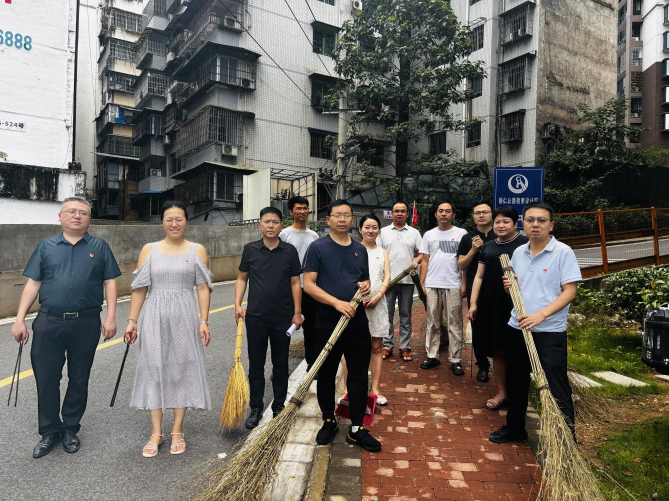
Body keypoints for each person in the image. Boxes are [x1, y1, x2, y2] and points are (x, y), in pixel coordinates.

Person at [12, 197, 121, 459]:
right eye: (71, 211)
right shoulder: (45, 246)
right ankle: (50, 430)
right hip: (49, 321)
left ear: (89, 219)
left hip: (86, 321)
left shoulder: (100, 247)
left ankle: (71, 427)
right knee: (47, 377)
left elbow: (110, 282)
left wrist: (111, 317)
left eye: (83, 212)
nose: (77, 215)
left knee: (79, 377)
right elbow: (34, 283)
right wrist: (19, 318)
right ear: (60, 216)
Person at [124, 201, 213, 457]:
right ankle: (156, 432)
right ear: (162, 222)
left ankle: (177, 430)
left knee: (180, 370)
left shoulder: (197, 250)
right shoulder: (149, 249)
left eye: (179, 219)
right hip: (154, 315)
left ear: (187, 221)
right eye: (169, 219)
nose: (174, 224)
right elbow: (140, 288)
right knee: (153, 369)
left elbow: (203, 287)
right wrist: (132, 321)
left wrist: (204, 321)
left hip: (185, 316)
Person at [490, 201, 581, 444]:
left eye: (541, 220)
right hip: (517, 326)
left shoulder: (562, 252)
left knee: (556, 384)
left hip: (548, 330)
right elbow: (520, 290)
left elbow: (570, 291)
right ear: (524, 224)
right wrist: (511, 288)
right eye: (530, 220)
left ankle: (566, 440)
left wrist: (541, 315)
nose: (535, 224)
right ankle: (515, 428)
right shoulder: (518, 252)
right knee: (516, 380)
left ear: (551, 225)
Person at [303, 200, 381, 452]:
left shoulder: (359, 249)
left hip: (356, 321)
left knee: (358, 374)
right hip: (327, 321)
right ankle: (329, 420)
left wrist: (366, 286)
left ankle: (357, 428)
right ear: (328, 219)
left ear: (351, 219)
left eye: (347, 215)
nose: (342, 219)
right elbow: (308, 285)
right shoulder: (318, 247)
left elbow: (364, 281)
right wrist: (336, 303)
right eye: (337, 215)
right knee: (326, 373)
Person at [235, 207, 303, 429]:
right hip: (256, 318)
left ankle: (279, 406)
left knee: (280, 365)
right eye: (267, 222)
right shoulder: (250, 249)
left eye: (275, 222)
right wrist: (237, 304)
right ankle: (255, 408)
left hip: (283, 318)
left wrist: (297, 312)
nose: (271, 225)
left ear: (281, 226)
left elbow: (295, 282)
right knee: (256, 365)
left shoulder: (289, 251)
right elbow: (242, 278)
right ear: (259, 225)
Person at [468, 207, 528, 411]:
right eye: (498, 222)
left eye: (506, 222)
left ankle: (518, 393)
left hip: (516, 304)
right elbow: (479, 276)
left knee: (516, 349)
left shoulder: (524, 244)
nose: (501, 226)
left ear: (515, 224)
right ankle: (502, 392)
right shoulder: (488, 247)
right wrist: (473, 303)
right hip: (490, 304)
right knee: (497, 348)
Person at [340, 215, 391, 406]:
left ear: (379, 230)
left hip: (377, 305)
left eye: (375, 227)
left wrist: (378, 296)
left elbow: (387, 277)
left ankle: (375, 390)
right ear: (360, 229)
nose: (371, 230)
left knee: (376, 347)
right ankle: (347, 390)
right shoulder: (351, 250)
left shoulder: (382, 252)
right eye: (367, 227)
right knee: (350, 349)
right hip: (353, 305)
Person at [418, 202, 468, 375]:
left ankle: (455, 359)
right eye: (441, 211)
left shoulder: (462, 234)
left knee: (455, 322)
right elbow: (425, 260)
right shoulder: (429, 234)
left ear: (453, 214)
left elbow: (465, 262)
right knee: (432, 322)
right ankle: (432, 355)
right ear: (436, 214)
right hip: (432, 283)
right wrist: (422, 283)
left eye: (448, 211)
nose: (444, 214)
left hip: (453, 284)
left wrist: (463, 283)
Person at [376, 201, 422, 362]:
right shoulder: (383, 232)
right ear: (392, 213)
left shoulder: (414, 233)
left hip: (408, 280)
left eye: (403, 211)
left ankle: (405, 347)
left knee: (405, 314)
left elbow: (422, 253)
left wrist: (416, 261)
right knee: (387, 314)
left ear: (407, 214)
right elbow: (377, 253)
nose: (399, 214)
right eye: (396, 211)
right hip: (387, 281)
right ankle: (387, 346)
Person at [279, 196, 319, 371]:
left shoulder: (314, 235)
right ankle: (281, 368)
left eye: (305, 208)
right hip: (289, 288)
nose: (303, 211)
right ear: (291, 212)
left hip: (310, 288)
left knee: (311, 327)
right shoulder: (284, 234)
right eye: (298, 208)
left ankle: (312, 363)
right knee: (285, 327)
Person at [457, 202, 495, 382]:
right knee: (477, 326)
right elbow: (461, 265)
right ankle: (482, 365)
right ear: (473, 217)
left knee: (497, 324)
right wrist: (473, 250)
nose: (481, 215)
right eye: (477, 213)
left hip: (498, 286)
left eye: (485, 212)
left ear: (491, 214)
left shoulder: (500, 234)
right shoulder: (468, 238)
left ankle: (500, 360)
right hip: (475, 287)